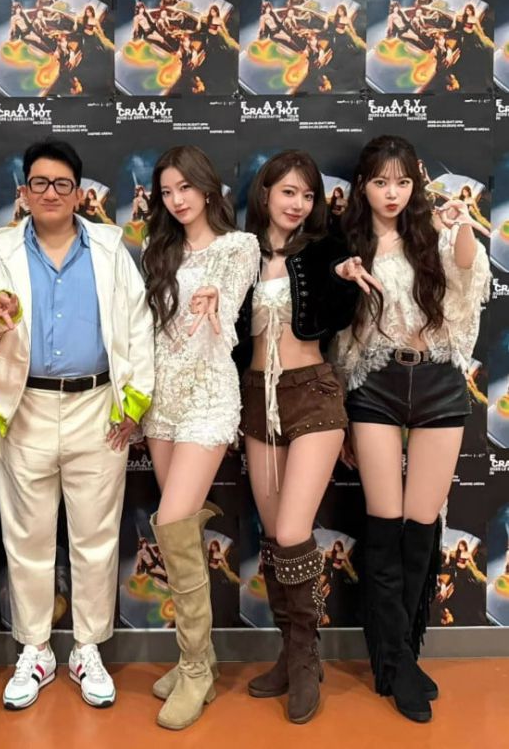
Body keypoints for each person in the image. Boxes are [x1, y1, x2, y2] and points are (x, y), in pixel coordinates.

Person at [0, 139, 154, 712]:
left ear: (78, 193)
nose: (50, 193)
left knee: (96, 538)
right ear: (23, 192)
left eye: (62, 184)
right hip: (26, 408)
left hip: (99, 408)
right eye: (39, 183)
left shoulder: (110, 247)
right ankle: (36, 649)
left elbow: (138, 325)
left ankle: (88, 648)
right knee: (28, 539)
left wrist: (134, 404)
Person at [336, 135, 490, 723]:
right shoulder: (349, 244)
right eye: (381, 182)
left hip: (438, 384)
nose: (392, 193)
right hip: (375, 386)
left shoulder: (433, 234)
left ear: (415, 184)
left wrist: (462, 225)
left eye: (402, 182)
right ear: (364, 187)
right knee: (384, 524)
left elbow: (467, 281)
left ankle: (402, 652)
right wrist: (343, 275)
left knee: (422, 527)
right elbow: (337, 332)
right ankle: (396, 661)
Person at [235, 150, 371, 724]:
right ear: (265, 192)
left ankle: (306, 655)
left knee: (294, 532)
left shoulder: (324, 251)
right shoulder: (240, 252)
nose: (298, 203)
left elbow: (339, 309)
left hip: (312, 391)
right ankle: (289, 653)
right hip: (256, 397)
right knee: (274, 539)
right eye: (288, 191)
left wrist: (344, 279)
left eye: (308, 194)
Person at [141, 145, 259, 729]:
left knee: (171, 522)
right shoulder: (157, 251)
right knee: (179, 533)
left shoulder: (240, 247)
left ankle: (193, 670)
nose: (177, 200)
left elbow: (229, 304)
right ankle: (201, 657)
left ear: (207, 188)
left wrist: (215, 301)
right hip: (161, 400)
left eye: (185, 187)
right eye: (166, 192)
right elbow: (146, 331)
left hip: (209, 398)